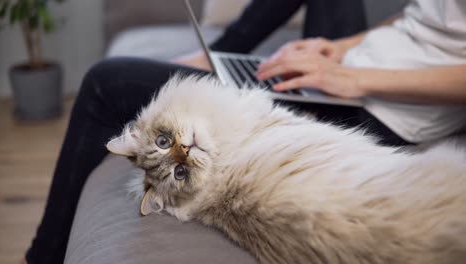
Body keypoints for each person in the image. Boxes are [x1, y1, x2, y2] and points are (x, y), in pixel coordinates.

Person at [23, 0, 466, 263]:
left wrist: (355, 81)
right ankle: (217, 56)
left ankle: (43, 256)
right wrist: (337, 49)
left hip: (384, 108)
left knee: (105, 82)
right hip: (351, 70)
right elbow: (420, 20)